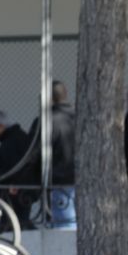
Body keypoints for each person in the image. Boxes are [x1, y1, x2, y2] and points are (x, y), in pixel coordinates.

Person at [27, 80, 76, 228]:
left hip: (58, 185)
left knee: (64, 232)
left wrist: (28, 180)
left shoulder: (46, 122)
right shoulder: (82, 118)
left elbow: (32, 155)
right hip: (84, 184)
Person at [0, 110, 36, 231]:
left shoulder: (11, 142)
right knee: (19, 222)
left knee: (11, 224)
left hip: (13, 191)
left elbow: (13, 167)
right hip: (21, 190)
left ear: (1, 126)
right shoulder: (20, 136)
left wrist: (10, 181)